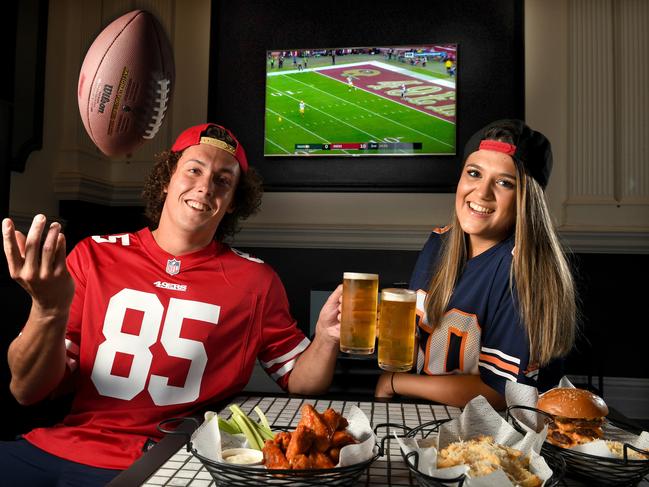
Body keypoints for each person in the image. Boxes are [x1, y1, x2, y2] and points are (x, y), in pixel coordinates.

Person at [1, 123, 342, 484]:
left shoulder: (255, 281)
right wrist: (47, 309)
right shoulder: (92, 255)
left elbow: (302, 382)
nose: (205, 186)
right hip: (64, 446)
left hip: (170, 461)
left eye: (223, 180)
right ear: (166, 178)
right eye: (194, 169)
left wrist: (325, 338)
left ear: (231, 204)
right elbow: (26, 389)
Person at [375, 119, 577, 409]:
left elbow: (502, 395)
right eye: (474, 174)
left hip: (498, 439)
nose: (482, 193)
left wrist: (394, 382)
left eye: (504, 182)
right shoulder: (439, 243)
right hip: (423, 418)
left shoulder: (522, 270)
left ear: (527, 200)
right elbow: (424, 348)